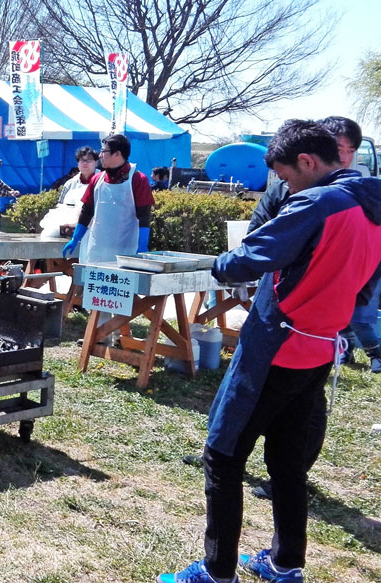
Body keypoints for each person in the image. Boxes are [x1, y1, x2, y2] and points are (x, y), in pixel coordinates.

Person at [158, 119, 381, 583]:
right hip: (322, 347)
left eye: (285, 175)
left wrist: (218, 265)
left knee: (222, 455)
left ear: (307, 161)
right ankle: (286, 564)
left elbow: (250, 256)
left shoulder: (319, 203)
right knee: (287, 462)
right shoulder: (371, 205)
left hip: (277, 346)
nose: (283, 185)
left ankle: (218, 572)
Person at [62, 134, 153, 263]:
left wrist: (142, 246)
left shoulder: (138, 179)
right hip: (97, 250)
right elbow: (86, 212)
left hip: (126, 251)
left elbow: (144, 216)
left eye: (103, 151)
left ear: (117, 154)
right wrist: (75, 239)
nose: (100, 155)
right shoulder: (97, 179)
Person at [40, 147, 99, 238]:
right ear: (77, 163)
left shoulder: (103, 180)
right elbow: (60, 206)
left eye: (89, 160)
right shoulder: (69, 183)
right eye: (82, 160)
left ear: (95, 162)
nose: (85, 163)